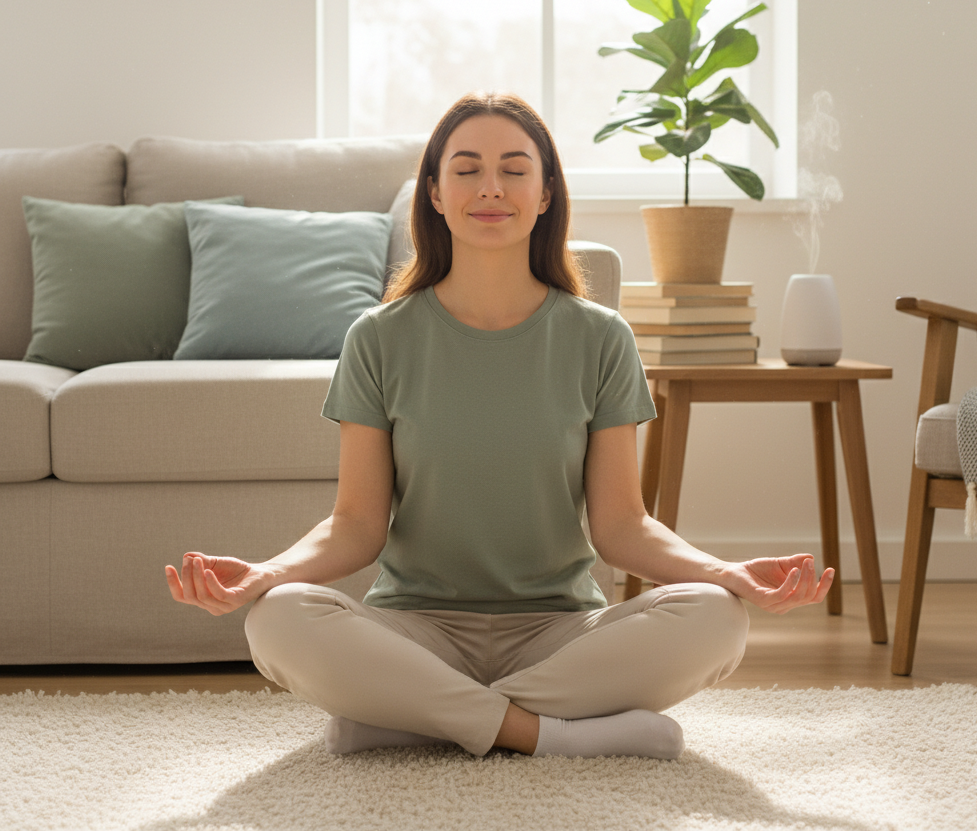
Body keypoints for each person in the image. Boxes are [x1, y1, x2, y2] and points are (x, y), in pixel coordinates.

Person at [165, 92, 834, 761]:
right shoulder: (378, 339)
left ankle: (414, 715)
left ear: (546, 194)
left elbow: (622, 526)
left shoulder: (601, 338)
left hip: (560, 630)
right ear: (433, 192)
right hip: (415, 628)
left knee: (717, 618)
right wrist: (265, 574)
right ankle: (542, 733)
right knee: (279, 618)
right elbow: (355, 525)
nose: (491, 188)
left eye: (515, 169)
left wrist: (728, 573)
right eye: (467, 169)